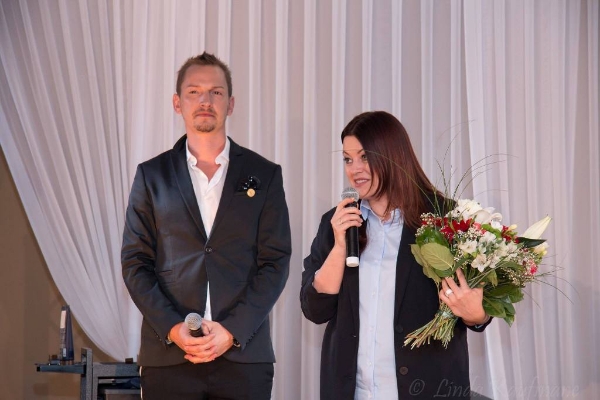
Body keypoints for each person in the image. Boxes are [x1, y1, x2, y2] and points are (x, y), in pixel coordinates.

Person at [122, 52, 292, 399]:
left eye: (216, 92)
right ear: (177, 103)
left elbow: (275, 262)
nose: (205, 101)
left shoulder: (264, 174)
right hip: (169, 358)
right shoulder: (152, 176)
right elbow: (135, 263)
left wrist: (232, 331)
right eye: (194, 92)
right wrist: (173, 328)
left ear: (230, 104)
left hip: (244, 357)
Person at [300, 111, 491, 399]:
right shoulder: (338, 222)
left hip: (426, 390)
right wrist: (340, 247)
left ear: (392, 155)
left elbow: (478, 306)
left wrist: (476, 314)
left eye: (364, 157)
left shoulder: (444, 218)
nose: (354, 169)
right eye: (348, 159)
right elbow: (315, 310)